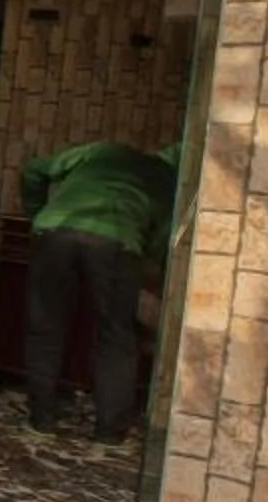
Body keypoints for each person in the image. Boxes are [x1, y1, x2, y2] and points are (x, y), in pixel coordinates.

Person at [19, 138, 180, 442]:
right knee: (116, 336)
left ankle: (41, 420)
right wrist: (148, 268)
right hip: (117, 243)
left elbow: (34, 169)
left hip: (56, 231)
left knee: (45, 327)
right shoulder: (169, 180)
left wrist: (37, 214)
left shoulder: (104, 150)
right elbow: (161, 238)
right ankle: (109, 432)